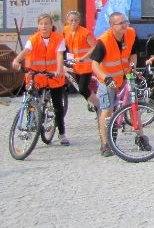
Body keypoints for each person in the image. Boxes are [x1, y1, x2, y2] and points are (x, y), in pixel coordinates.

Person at [90, 12, 144, 157]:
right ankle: (105, 144)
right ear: (111, 26)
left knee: (134, 105)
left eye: (125, 22)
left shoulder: (131, 34)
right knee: (107, 110)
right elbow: (94, 65)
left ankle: (141, 137)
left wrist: (132, 67)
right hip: (107, 79)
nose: (124, 25)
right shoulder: (104, 41)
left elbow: (133, 53)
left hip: (125, 75)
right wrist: (106, 78)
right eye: (120, 23)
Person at [11, 13, 69, 146]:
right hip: (36, 76)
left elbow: (60, 55)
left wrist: (59, 70)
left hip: (53, 76)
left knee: (57, 106)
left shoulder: (59, 38)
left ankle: (62, 133)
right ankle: (29, 126)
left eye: (47, 23)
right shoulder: (33, 39)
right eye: (41, 24)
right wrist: (17, 60)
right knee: (31, 103)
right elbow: (26, 51)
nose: (44, 26)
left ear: (51, 25)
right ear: (38, 26)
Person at [63, 10, 99, 112]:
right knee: (79, 87)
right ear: (67, 21)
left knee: (83, 88)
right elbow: (64, 43)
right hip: (75, 63)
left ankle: (98, 104)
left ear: (79, 21)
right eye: (71, 20)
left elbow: (94, 46)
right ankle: (92, 102)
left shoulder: (85, 32)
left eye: (76, 20)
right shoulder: (66, 30)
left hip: (86, 64)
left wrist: (83, 57)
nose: (73, 22)